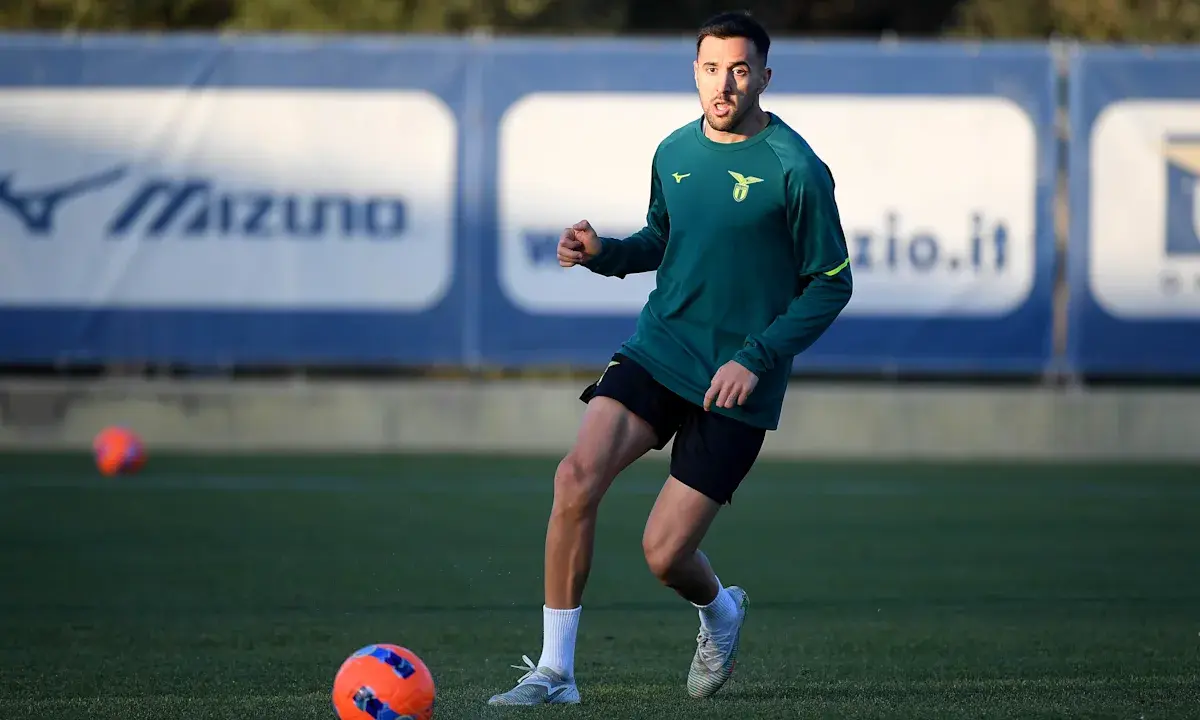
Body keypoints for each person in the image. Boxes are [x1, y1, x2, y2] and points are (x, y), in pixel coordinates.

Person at [487, 10, 854, 706]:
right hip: (660, 348)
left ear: (764, 77)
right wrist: (603, 254)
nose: (724, 84)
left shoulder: (797, 168)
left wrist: (757, 357)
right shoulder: (673, 151)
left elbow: (832, 282)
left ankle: (721, 610)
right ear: (695, 72)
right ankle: (555, 675)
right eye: (712, 68)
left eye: (740, 70)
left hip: (738, 382)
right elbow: (661, 239)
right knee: (574, 478)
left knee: (664, 555)